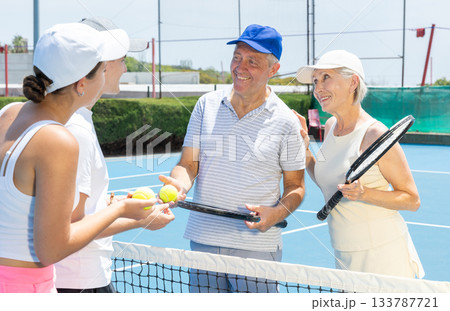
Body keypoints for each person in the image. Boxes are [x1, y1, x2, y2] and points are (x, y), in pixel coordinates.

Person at [0, 23, 164, 293]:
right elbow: (52, 249)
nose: (108, 74)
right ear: (81, 84)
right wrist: (120, 210)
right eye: (102, 70)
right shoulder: (59, 140)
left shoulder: (9, 113)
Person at [160, 24, 306, 292]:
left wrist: (276, 214)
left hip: (257, 248)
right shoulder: (206, 105)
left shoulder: (286, 122)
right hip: (204, 240)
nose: (241, 67)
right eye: (237, 57)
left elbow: (296, 187)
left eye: (253, 61)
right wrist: (178, 185)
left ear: (273, 70)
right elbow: (188, 165)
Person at [55, 17, 175, 293]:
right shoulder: (76, 129)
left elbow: (66, 206)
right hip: (79, 283)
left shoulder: (76, 119)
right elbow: (68, 229)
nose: (125, 67)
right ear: (102, 65)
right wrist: (139, 219)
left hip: (78, 279)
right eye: (122, 59)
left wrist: (111, 202)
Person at [294, 49, 424, 278]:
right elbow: (326, 179)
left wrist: (364, 193)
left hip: (383, 256)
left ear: (353, 82)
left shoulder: (375, 133)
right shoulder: (332, 125)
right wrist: (305, 149)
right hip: (344, 253)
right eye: (315, 81)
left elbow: (412, 200)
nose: (318, 88)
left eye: (326, 77)